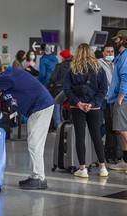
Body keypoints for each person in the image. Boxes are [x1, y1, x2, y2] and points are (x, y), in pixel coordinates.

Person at [0, 68, 54, 190]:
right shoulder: (6, 79)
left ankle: (39, 178)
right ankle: (34, 176)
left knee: (35, 144)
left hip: (41, 107)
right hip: (37, 108)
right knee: (33, 143)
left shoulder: (5, 77)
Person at [63, 43, 108, 178]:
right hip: (94, 108)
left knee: (80, 137)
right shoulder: (99, 69)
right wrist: (93, 103)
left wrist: (79, 103)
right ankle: (102, 167)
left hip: (77, 108)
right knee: (96, 137)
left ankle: (82, 169)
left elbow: (67, 90)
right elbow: (103, 90)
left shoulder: (73, 69)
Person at [107, 30, 127, 172]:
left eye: (118, 39)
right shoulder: (121, 56)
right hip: (120, 98)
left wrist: (120, 98)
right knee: (121, 131)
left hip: (123, 99)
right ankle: (125, 161)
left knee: (122, 129)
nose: (116, 41)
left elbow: (125, 77)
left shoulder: (125, 56)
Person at [47, 49, 72, 128]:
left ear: (63, 57)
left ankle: (58, 125)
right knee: (62, 106)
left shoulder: (59, 66)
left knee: (57, 105)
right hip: (69, 90)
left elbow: (52, 78)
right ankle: (63, 124)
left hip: (58, 90)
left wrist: (48, 85)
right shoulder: (73, 66)